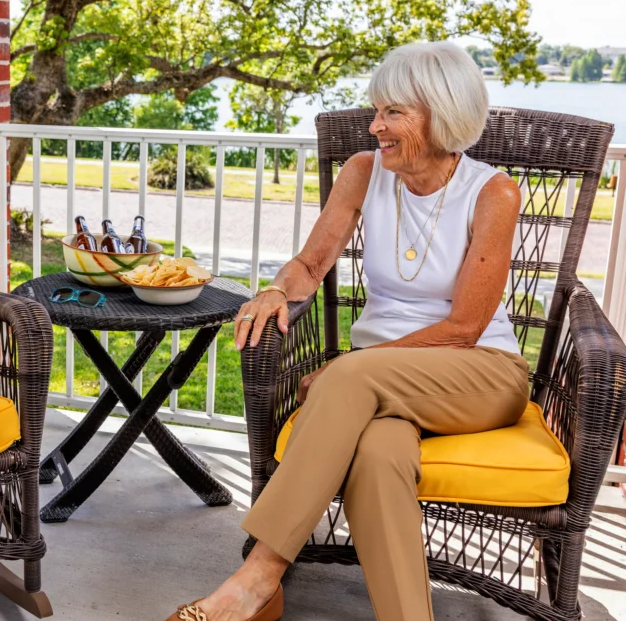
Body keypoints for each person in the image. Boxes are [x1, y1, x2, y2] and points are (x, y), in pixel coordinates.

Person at [166, 41, 529, 621]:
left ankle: (257, 579)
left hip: (479, 372)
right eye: (375, 110)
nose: (374, 126)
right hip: (380, 385)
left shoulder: (492, 192)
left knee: (350, 376)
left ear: (442, 114)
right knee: (379, 456)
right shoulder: (365, 172)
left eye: (392, 113)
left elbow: (464, 327)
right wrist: (276, 290)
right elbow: (311, 265)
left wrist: (347, 367)